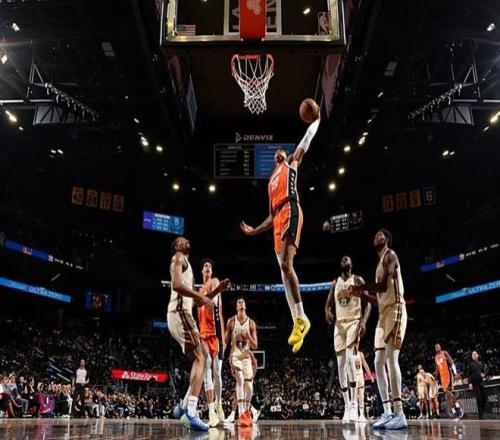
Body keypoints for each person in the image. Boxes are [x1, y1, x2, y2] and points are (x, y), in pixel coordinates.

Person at [240, 115, 320, 353]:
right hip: (277, 219)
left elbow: (306, 140)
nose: (278, 152)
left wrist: (315, 121)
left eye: (281, 151)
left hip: (291, 209)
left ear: (285, 155)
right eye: (276, 152)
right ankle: (298, 321)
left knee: (286, 264)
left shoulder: (291, 164)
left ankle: (302, 317)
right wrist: (254, 230)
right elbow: (270, 216)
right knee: (283, 274)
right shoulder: (270, 183)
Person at [168, 236, 229, 431]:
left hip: (185, 314)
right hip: (180, 313)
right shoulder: (178, 257)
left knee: (202, 358)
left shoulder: (190, 271)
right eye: (181, 240)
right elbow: (176, 285)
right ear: (177, 246)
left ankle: (183, 406)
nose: (185, 240)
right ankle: (191, 412)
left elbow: (198, 301)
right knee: (201, 358)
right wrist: (199, 294)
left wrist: (218, 290)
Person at [349, 229, 408, 429]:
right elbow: (378, 299)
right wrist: (361, 295)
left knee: (391, 358)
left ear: (387, 239)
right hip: (383, 314)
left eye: (381, 235)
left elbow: (382, 286)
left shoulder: (390, 256)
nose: (377, 237)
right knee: (377, 361)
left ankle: (400, 413)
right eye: (375, 236)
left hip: (396, 309)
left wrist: (360, 288)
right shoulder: (377, 265)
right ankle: (388, 411)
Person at [324, 255, 372, 422]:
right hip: (339, 325)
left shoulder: (357, 280)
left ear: (351, 265)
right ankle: (347, 406)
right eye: (343, 259)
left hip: (353, 322)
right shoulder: (335, 283)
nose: (345, 259)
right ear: (340, 265)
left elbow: (368, 303)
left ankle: (353, 403)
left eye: (347, 259)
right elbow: (328, 304)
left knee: (351, 359)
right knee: (340, 365)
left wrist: (363, 322)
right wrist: (327, 311)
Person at [197, 258, 229, 427]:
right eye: (205, 266)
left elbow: (212, 300)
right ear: (202, 271)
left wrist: (218, 289)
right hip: (203, 334)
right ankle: (211, 412)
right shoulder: (199, 291)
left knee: (217, 372)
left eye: (210, 266)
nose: (208, 268)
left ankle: (218, 403)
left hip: (217, 333)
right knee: (206, 371)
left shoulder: (215, 282)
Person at [225, 298, 258, 427]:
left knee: (249, 386)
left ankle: (246, 412)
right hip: (235, 356)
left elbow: (255, 345)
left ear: (245, 306)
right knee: (239, 378)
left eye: (242, 301)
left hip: (246, 358)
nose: (240, 302)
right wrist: (222, 355)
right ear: (236, 308)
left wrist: (248, 336)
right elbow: (226, 341)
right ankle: (240, 413)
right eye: (238, 301)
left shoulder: (251, 323)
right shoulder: (231, 321)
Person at [434, 343, 463, 420]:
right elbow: (437, 370)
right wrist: (435, 378)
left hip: (448, 374)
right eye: (435, 347)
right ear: (435, 349)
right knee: (447, 397)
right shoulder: (436, 357)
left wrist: (455, 373)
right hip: (442, 377)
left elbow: (452, 362)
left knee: (447, 391)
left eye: (438, 346)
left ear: (440, 347)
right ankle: (455, 413)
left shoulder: (444, 353)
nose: (437, 347)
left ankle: (458, 408)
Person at [353, 344, 374, 422]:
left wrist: (370, 376)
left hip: (360, 375)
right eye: (356, 344)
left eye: (358, 344)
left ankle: (361, 414)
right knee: (355, 397)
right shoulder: (349, 355)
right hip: (353, 376)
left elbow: (365, 365)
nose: (357, 346)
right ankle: (355, 414)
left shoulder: (360, 354)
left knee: (361, 396)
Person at [466, 350, 486, 419]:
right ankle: (480, 414)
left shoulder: (481, 363)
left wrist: (484, 375)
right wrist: (470, 383)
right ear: (472, 356)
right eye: (472, 354)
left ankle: (482, 411)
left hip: (481, 382)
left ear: (478, 355)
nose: (474, 355)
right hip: (475, 383)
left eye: (475, 354)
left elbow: (483, 372)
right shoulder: (470, 364)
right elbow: (468, 374)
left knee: (484, 397)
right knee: (479, 398)